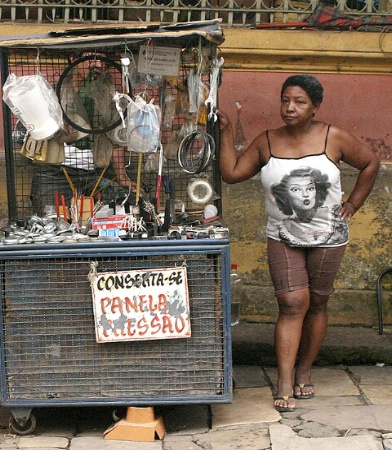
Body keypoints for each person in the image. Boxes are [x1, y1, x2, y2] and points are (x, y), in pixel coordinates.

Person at [218, 74, 380, 412]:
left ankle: (305, 369)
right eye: (286, 100)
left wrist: (353, 204)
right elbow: (232, 173)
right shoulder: (267, 141)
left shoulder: (332, 137)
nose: (290, 108)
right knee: (292, 303)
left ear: (315, 107)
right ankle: (285, 379)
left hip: (329, 236)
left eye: (300, 102)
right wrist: (227, 133)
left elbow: (370, 163)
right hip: (283, 234)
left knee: (317, 302)